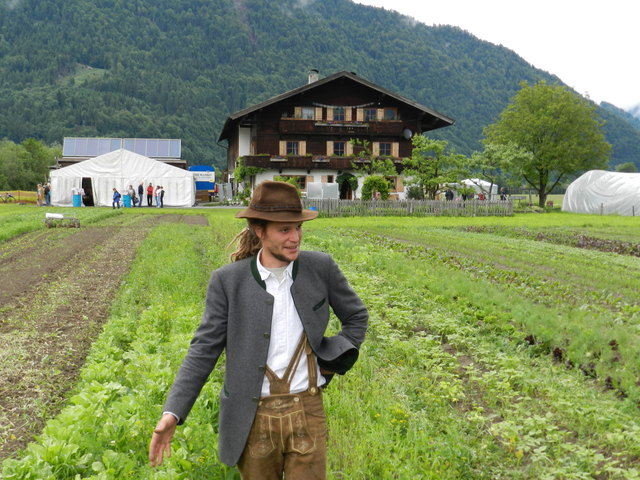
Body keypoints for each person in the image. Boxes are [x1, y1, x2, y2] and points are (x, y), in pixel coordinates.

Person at [149, 180, 368, 480]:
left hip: (307, 409)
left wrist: (330, 359)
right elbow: (203, 349)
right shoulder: (228, 281)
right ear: (259, 231)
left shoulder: (321, 268)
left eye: (298, 228)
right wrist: (172, 412)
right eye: (284, 230)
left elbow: (356, 316)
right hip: (251, 417)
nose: (295, 238)